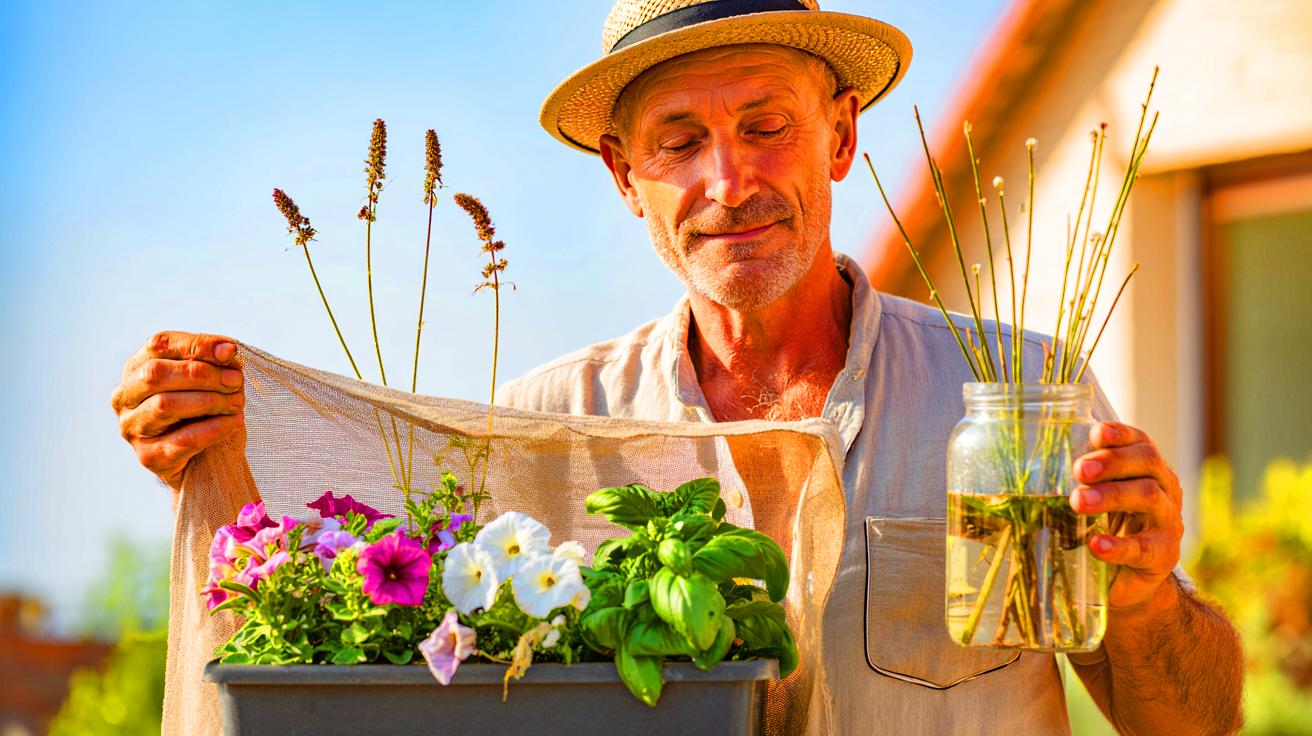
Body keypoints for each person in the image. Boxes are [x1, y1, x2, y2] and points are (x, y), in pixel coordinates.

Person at [110, 1, 1243, 732]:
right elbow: (419, 680)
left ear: (841, 136)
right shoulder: (547, 423)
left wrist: (1141, 599)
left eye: (766, 125)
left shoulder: (1011, 394)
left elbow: (1192, 722)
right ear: (623, 173)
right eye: (679, 142)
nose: (727, 180)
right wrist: (223, 456)